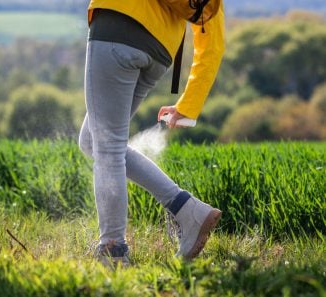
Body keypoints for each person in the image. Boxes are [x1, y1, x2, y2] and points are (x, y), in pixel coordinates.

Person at [79, 0, 225, 266]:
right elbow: (212, 34)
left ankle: (113, 252)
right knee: (93, 140)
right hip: (159, 51)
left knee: (107, 146)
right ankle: (186, 208)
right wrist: (190, 104)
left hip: (118, 26)